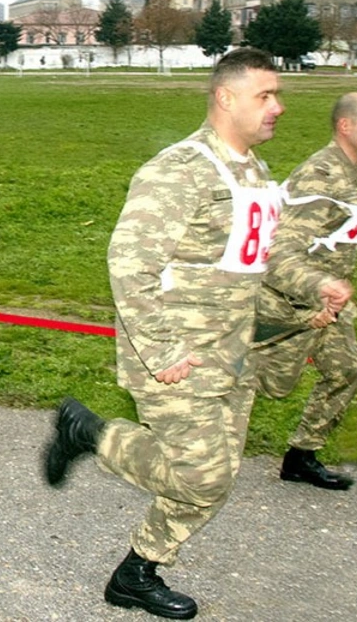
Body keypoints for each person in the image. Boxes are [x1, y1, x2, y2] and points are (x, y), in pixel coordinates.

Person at [41, 49, 334, 619]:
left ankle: (137, 572)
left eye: (277, 95)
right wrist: (161, 350)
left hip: (234, 355)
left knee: (215, 479)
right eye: (265, 95)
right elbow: (129, 265)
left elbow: (267, 258)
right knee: (204, 477)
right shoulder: (180, 169)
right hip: (177, 358)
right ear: (226, 97)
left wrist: (314, 289)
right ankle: (90, 433)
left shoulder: (253, 172)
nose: (278, 107)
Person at [247, 92, 357, 491]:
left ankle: (301, 457)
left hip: (328, 304)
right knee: (259, 383)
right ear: (345, 125)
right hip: (293, 304)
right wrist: (319, 289)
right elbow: (279, 254)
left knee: (344, 372)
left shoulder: (350, 171)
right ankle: (172, 438)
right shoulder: (322, 176)